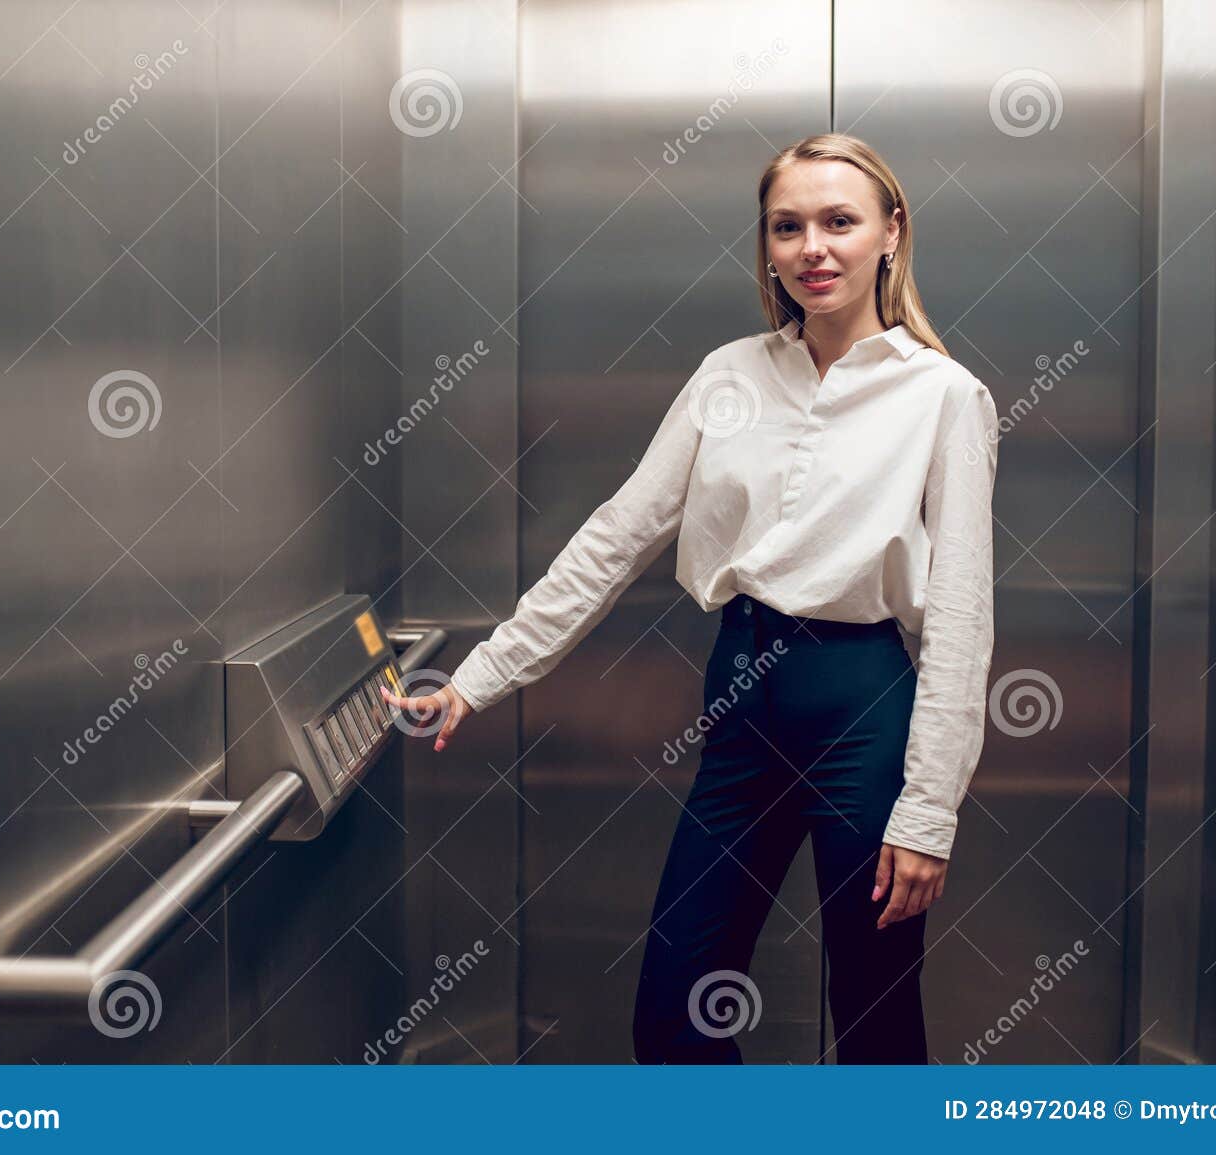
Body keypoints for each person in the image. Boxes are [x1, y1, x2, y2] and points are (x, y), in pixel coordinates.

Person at [380, 133, 999, 1064]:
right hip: (744, 697)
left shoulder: (944, 396)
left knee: (874, 1013)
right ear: (767, 246)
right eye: (787, 227)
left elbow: (959, 614)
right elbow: (617, 536)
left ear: (890, 233)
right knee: (674, 1004)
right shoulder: (729, 376)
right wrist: (478, 677)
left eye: (839, 221)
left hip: (863, 706)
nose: (813, 249)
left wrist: (928, 811)